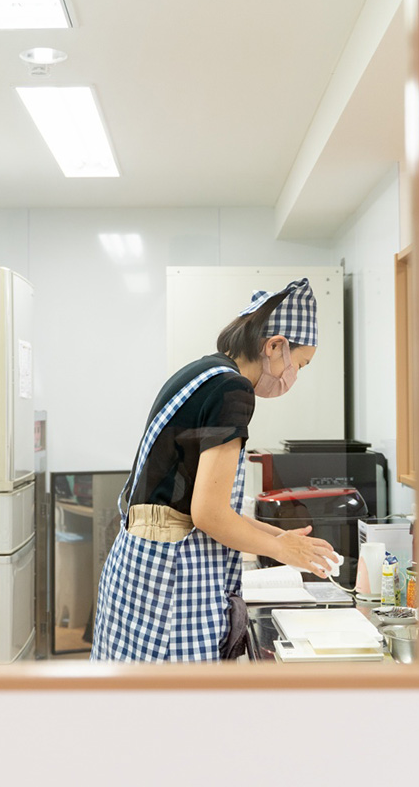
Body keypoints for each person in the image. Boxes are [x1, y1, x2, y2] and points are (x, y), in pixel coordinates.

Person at [90, 277, 336, 662]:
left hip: (139, 570)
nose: (294, 376)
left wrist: (283, 538)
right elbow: (208, 515)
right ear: (274, 346)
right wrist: (279, 549)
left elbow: (197, 506)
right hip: (170, 587)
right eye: (299, 364)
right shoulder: (233, 390)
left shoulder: (200, 373)